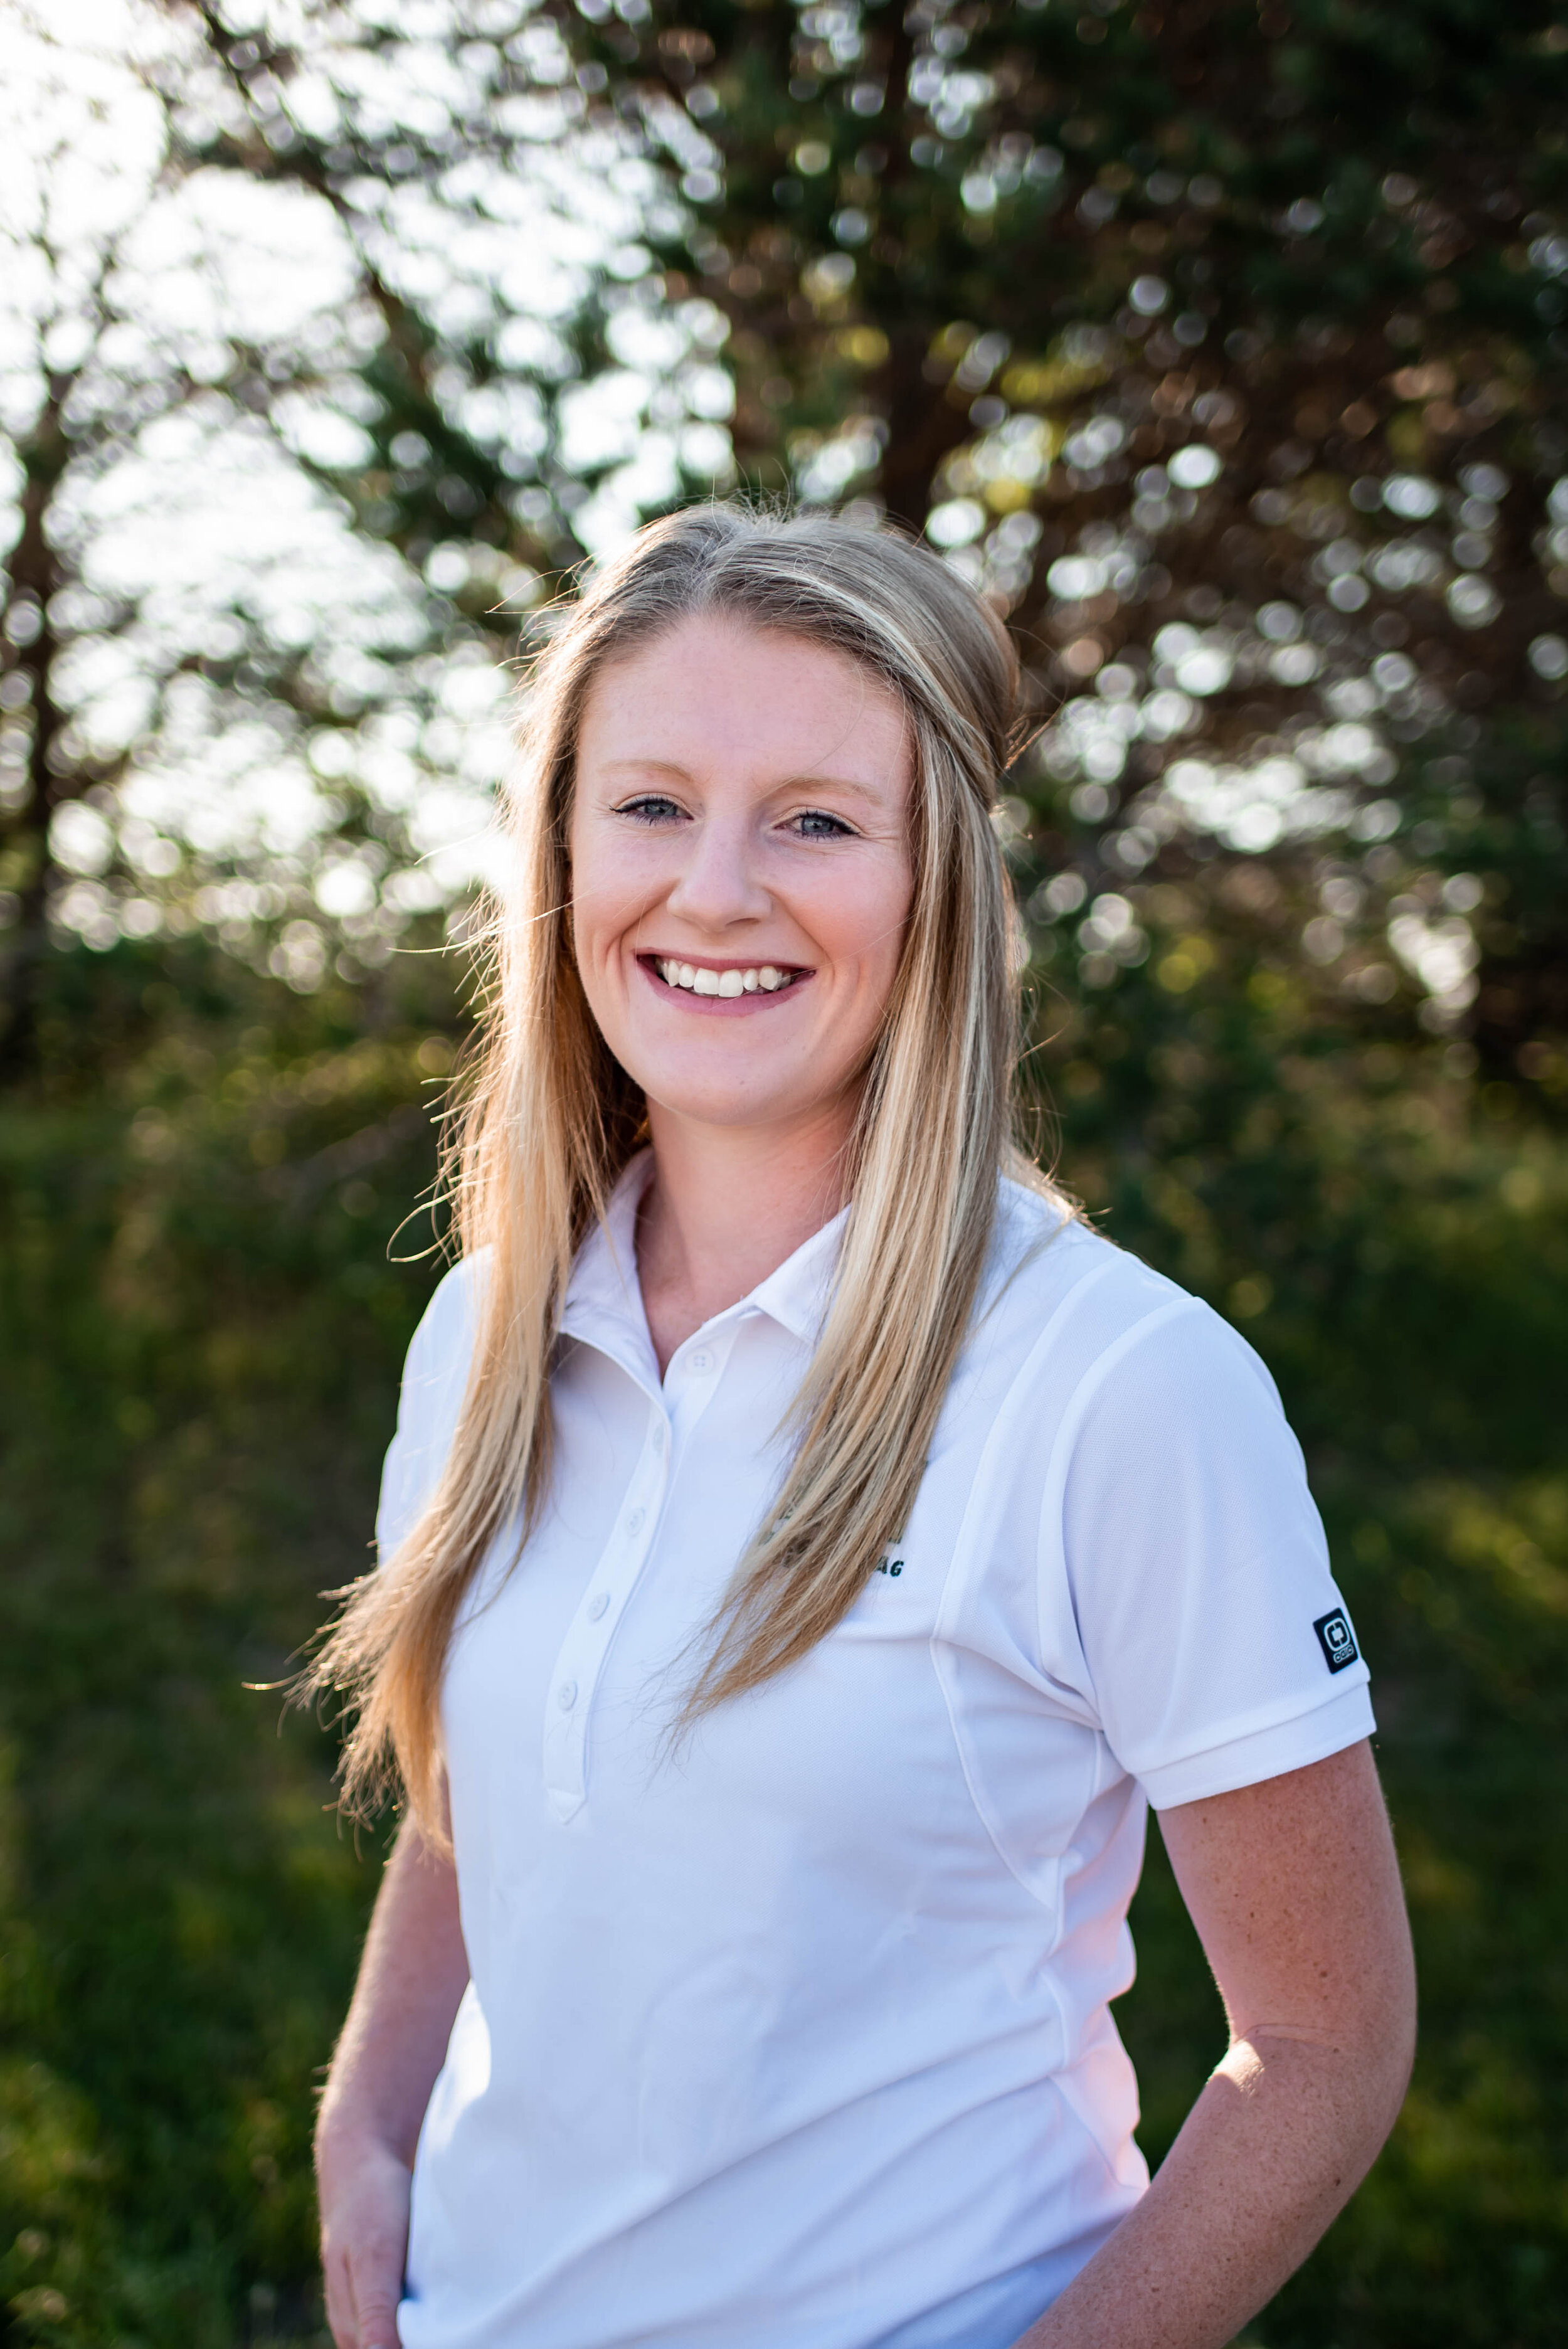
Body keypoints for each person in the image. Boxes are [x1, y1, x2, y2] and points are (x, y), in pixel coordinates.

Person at [309, 504, 1415, 2349]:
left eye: (814, 818)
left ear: (935, 882)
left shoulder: (1119, 1388)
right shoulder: (486, 1325)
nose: (716, 888)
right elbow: (484, 1797)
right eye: (650, 803)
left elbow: (1319, 2046)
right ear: (560, 845)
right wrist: (367, 2116)